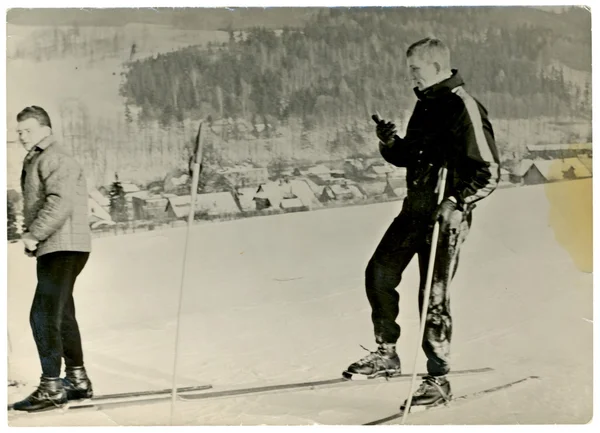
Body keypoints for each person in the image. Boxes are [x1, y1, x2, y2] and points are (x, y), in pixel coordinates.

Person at [343, 38, 500, 410]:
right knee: (379, 273)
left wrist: (456, 201)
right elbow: (410, 156)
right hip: (414, 211)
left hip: (445, 219)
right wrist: (389, 142)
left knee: (432, 297)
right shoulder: (425, 103)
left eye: (414, 68)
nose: (409, 74)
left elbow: (490, 172)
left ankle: (438, 379)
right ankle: (386, 353)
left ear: (434, 65)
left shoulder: (465, 107)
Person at [12, 106, 94, 412]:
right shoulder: (40, 156)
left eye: (27, 130)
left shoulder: (53, 157)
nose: (21, 136)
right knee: (61, 314)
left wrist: (34, 233)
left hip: (62, 245)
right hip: (60, 245)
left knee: (43, 315)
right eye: (18, 131)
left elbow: (60, 201)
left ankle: (51, 387)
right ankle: (77, 381)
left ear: (45, 130)